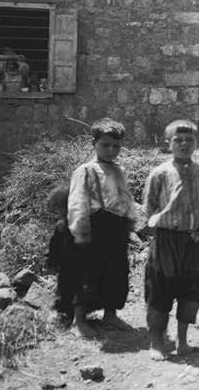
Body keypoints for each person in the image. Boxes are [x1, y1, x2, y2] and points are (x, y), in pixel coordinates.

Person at [66, 118, 146, 338]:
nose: (111, 150)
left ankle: (110, 315)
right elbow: (77, 202)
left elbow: (125, 198)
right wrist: (79, 232)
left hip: (116, 227)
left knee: (116, 271)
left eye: (116, 146)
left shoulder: (119, 170)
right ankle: (79, 320)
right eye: (105, 145)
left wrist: (130, 224)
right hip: (94, 226)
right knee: (87, 272)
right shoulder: (86, 170)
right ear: (94, 143)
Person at [143, 119, 199, 360]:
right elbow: (149, 208)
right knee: (160, 289)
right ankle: (156, 342)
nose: (184, 144)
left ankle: (183, 339)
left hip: (195, 241)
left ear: (196, 142)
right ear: (168, 143)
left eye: (189, 140)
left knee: (190, 288)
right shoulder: (159, 174)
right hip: (166, 241)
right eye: (178, 140)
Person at [45, 183, 79, 327]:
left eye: (59, 207)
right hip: (66, 270)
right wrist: (51, 261)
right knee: (65, 291)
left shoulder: (83, 224)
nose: (58, 212)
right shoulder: (61, 227)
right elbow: (54, 248)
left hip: (80, 271)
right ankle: (67, 313)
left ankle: (76, 316)